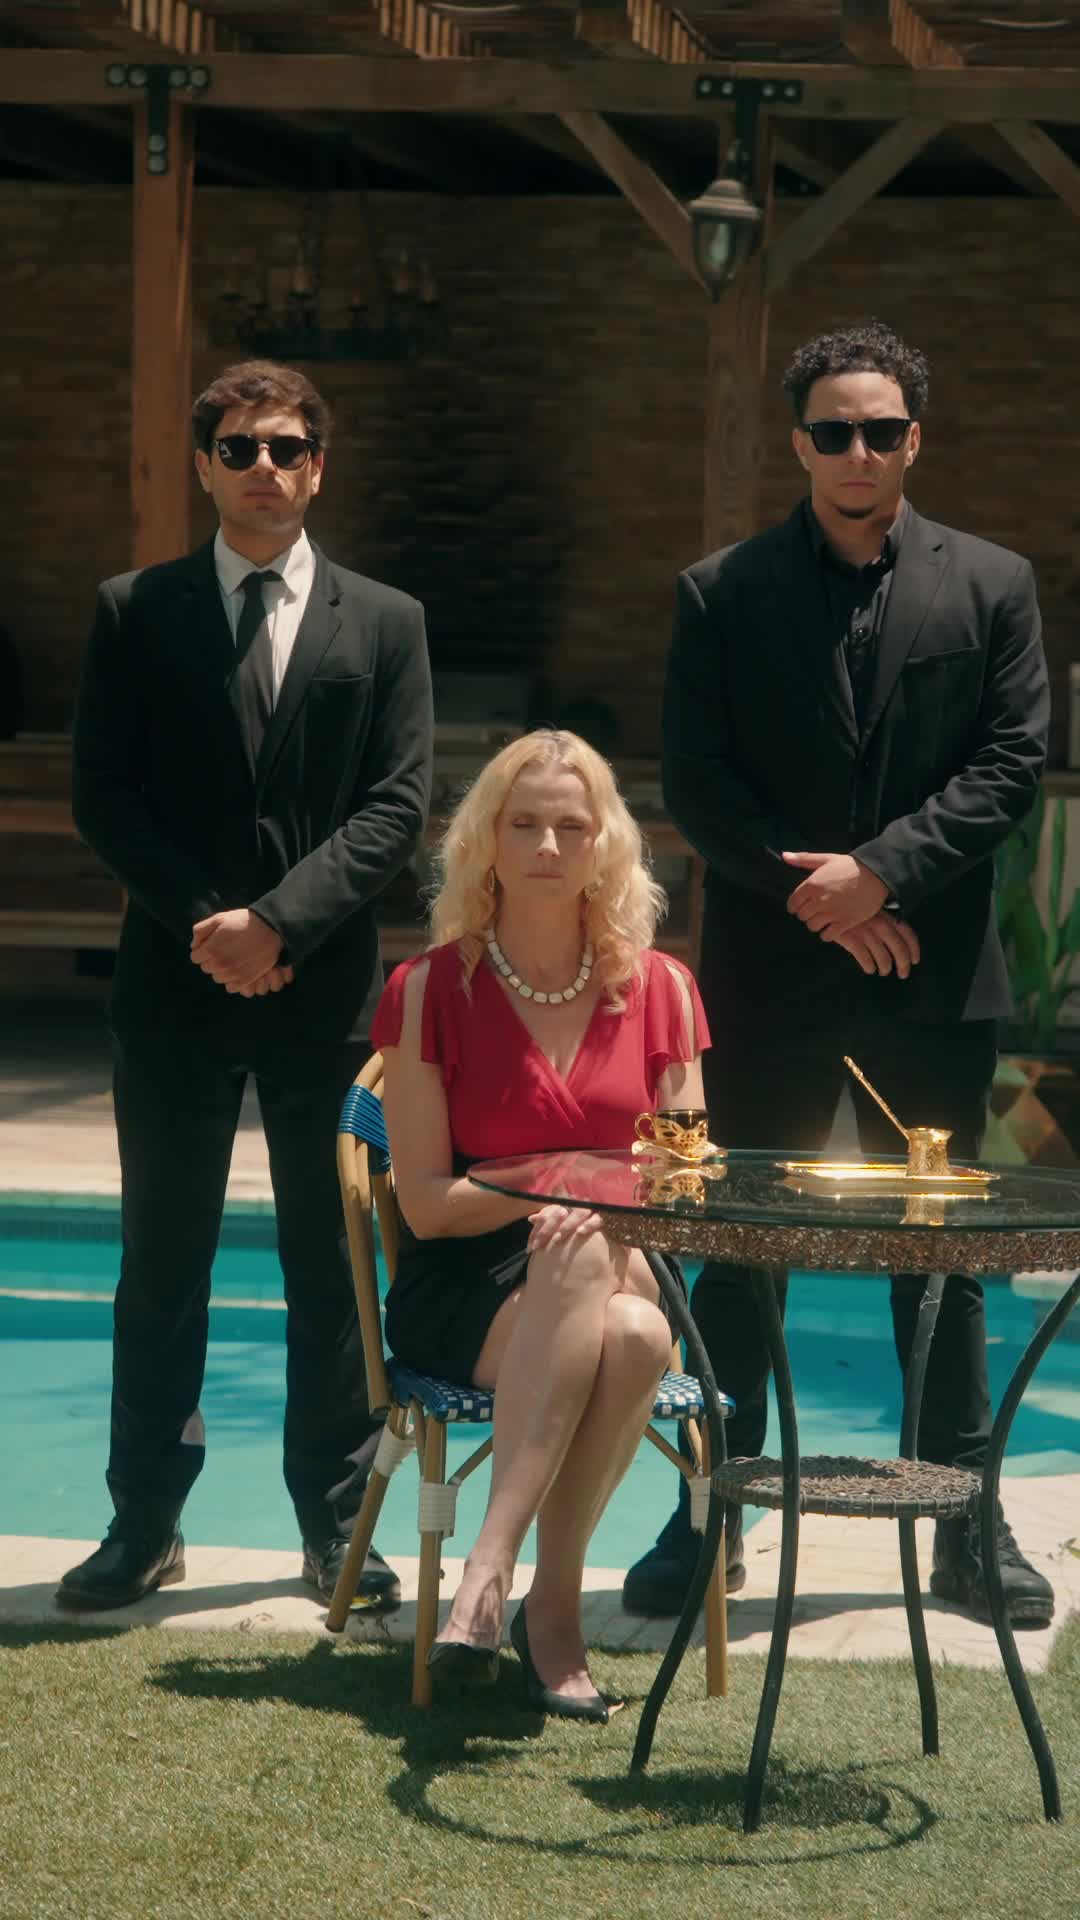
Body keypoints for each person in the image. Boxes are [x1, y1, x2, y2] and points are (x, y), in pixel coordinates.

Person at [624, 319, 1055, 1629]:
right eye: (833, 430)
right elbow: (699, 783)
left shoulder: (995, 585)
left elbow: (1011, 763)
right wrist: (824, 900)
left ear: (915, 440)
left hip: (934, 975)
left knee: (945, 1259)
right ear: (800, 443)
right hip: (771, 976)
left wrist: (882, 874)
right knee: (737, 1251)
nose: (856, 450)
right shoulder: (721, 591)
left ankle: (966, 1526)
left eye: (879, 429)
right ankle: (705, 1516)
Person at [59, 360, 433, 1613]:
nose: (263, 468)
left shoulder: (387, 621)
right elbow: (103, 792)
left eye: (285, 448)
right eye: (238, 449)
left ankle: (336, 1529)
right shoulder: (135, 609)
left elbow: (397, 805)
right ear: (205, 468)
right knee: (163, 1264)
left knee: (333, 1268)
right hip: (173, 989)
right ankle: (143, 1524)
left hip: (324, 995)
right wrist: (209, 924)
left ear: (318, 467)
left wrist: (279, 924)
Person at [373, 728, 710, 1719]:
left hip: (626, 1254)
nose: (549, 846)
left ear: (607, 845)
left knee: (603, 1271)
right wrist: (555, 1184)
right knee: (632, 1335)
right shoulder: (427, 990)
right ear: (486, 839)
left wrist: (589, 1203)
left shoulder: (663, 991)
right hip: (466, 1284)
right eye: (524, 824)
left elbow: (682, 1188)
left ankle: (490, 1570)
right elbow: (427, 1207)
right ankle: (548, 1613)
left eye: (572, 825)